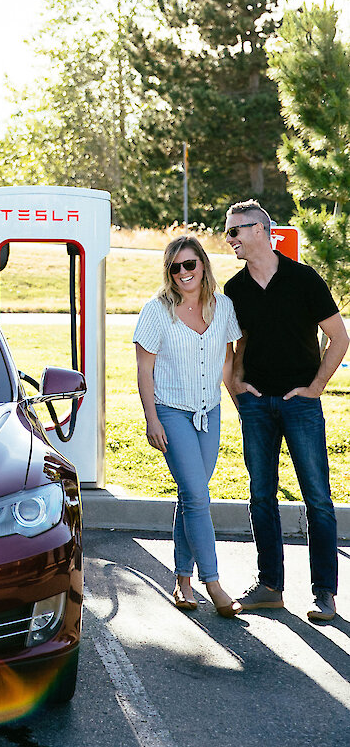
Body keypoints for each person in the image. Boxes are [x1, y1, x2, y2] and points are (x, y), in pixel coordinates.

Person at [223, 199, 348, 623]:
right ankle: (270, 586)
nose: (230, 240)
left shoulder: (303, 279)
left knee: (318, 499)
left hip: (301, 406)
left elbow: (339, 338)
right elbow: (237, 347)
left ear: (259, 230)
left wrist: (315, 388)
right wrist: (237, 388)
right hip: (257, 406)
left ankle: (325, 594)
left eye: (234, 231)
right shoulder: (234, 290)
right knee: (261, 496)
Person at [134, 234, 242, 616]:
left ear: (203, 267)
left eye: (190, 265)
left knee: (190, 494)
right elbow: (144, 370)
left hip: (208, 413)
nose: (183, 272)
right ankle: (212, 582)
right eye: (175, 267)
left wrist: (239, 405)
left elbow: (227, 364)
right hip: (171, 412)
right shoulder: (156, 310)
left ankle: (182, 580)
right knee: (198, 497)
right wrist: (151, 418)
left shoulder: (223, 308)